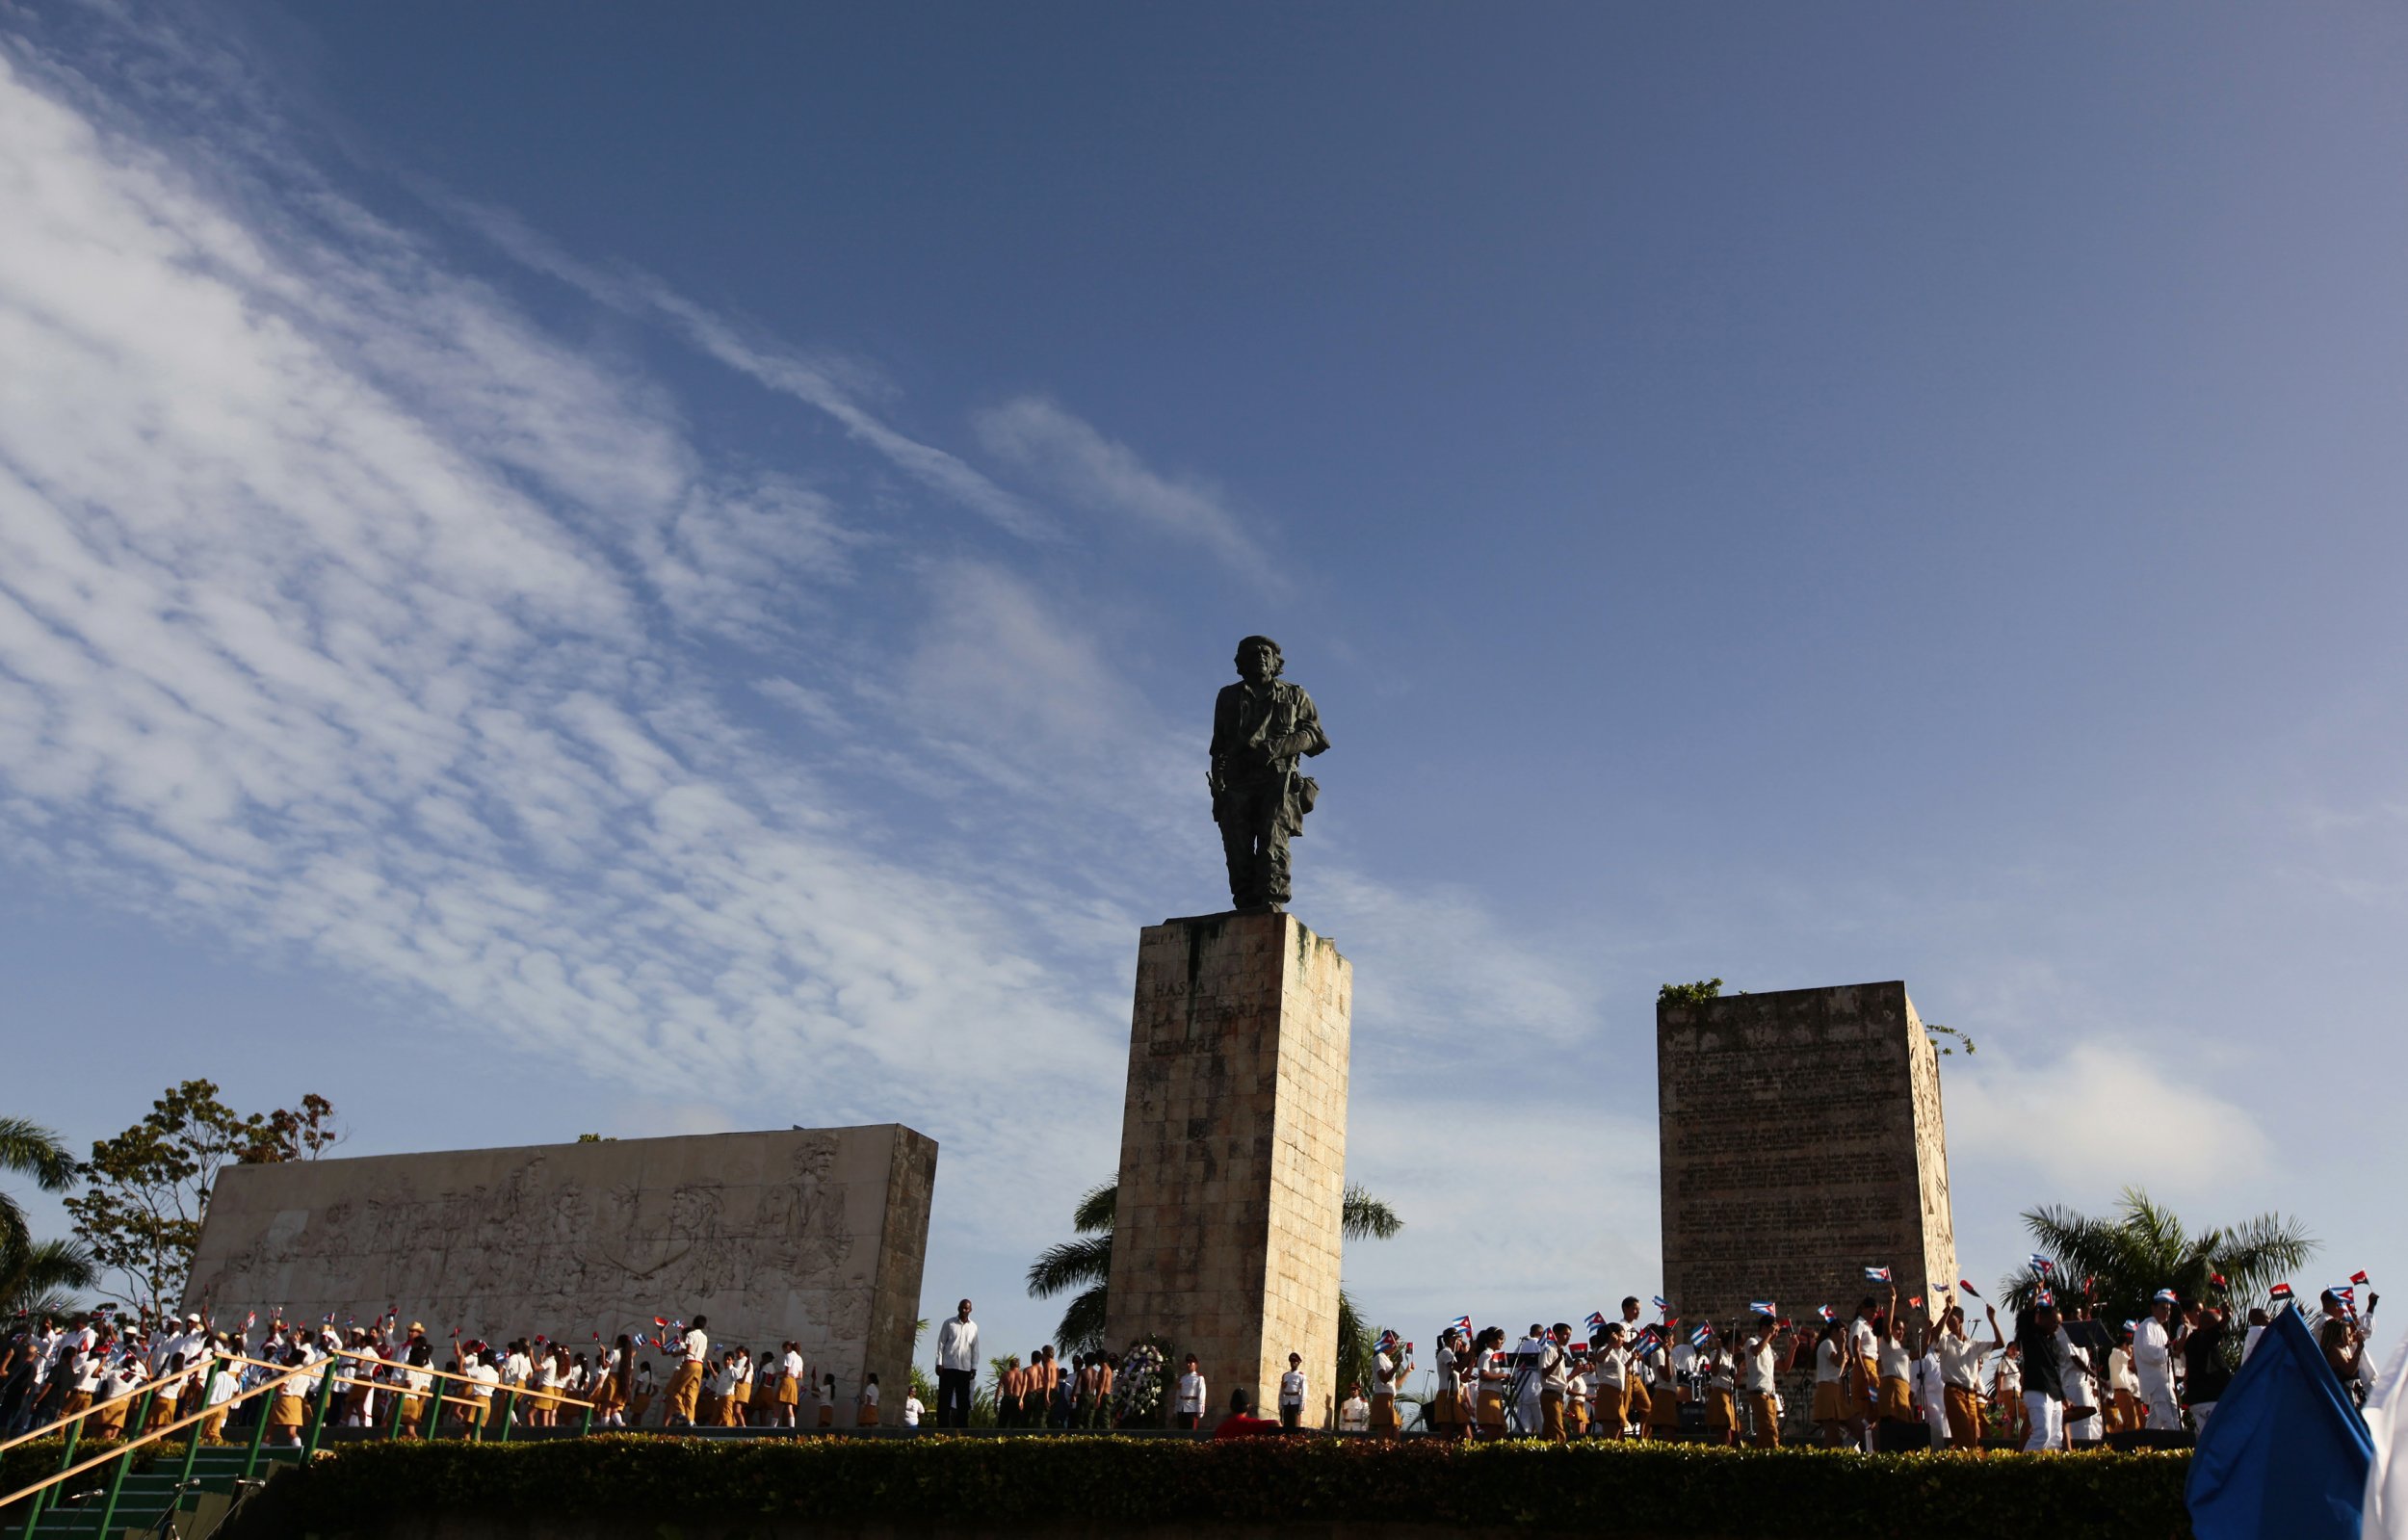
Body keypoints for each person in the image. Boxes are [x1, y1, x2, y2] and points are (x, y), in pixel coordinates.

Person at [1208, 635, 1331, 911]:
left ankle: (1272, 900)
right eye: (1252, 654)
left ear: (1277, 663)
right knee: (1236, 843)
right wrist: (1218, 786)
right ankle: (1244, 901)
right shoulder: (1228, 696)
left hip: (1277, 778)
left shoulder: (1295, 694)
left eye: (1266, 653)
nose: (1260, 657)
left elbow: (1315, 737)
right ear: (1240, 664)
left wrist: (1278, 747)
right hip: (1237, 780)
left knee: (1273, 838)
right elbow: (1219, 746)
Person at [2017, 1300, 2070, 1453]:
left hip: (2054, 1393)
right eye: (2054, 1321)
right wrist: (2036, 1293)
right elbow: (2026, 1316)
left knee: (2055, 1437)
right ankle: (2022, 1468)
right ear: (2041, 1318)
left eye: (2059, 1323)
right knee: (2042, 1434)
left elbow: (2055, 1370)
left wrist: (2063, 1397)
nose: (2056, 1326)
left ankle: (2047, 1469)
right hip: (2037, 1389)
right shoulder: (2031, 1335)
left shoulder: (2052, 1342)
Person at [2132, 1292, 2184, 1431]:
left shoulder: (2160, 1328)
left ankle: (2146, 1446)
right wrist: (2167, 1350)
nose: (2166, 1312)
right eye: (2163, 1308)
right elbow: (2148, 1351)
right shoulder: (2146, 1326)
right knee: (2169, 1417)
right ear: (2153, 1309)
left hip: (2163, 1381)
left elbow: (2167, 1355)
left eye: (2168, 1309)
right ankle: (2177, 1445)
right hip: (2156, 1381)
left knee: (2156, 1420)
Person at [1740, 1314, 1793, 1449]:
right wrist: (1769, 1335)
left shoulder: (1769, 1348)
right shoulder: (1752, 1341)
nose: (1775, 1335)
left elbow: (1785, 1367)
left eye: (1776, 1332)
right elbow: (1756, 1351)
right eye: (1773, 1331)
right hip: (1758, 1392)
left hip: (1770, 1394)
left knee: (1764, 1435)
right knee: (1771, 1430)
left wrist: (1793, 1348)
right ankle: (1776, 1459)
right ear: (1764, 1328)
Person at [2181, 1302, 2232, 1431]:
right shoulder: (2199, 1338)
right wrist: (2227, 1316)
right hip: (2209, 1401)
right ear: (2209, 1325)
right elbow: (2216, 1332)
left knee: (2206, 1438)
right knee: (2219, 1437)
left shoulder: (2198, 1342)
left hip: (2203, 1401)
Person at [934, 1300, 979, 1429]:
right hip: (948, 1366)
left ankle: (962, 1427)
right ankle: (942, 1426)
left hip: (964, 1368)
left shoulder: (973, 1327)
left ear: (970, 1310)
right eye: (962, 1308)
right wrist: (939, 1363)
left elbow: (975, 1348)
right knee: (944, 1398)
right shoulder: (949, 1323)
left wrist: (974, 1367)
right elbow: (941, 1343)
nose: (964, 1310)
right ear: (958, 1308)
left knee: (963, 1400)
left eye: (967, 1308)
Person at [1811, 1321, 1850, 1447]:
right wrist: (1843, 1345)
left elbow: (1837, 1370)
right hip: (1827, 1389)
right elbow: (1838, 1362)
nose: (1844, 1336)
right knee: (1832, 1435)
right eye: (1842, 1332)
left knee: (1838, 1433)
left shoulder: (1833, 1345)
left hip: (1834, 1388)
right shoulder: (1827, 1344)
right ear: (1834, 1332)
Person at [667, 1316, 709, 1427]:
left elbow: (688, 1350)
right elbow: (703, 1355)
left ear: (694, 1323)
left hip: (690, 1363)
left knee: (675, 1390)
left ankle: (682, 1413)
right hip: (699, 1365)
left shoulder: (691, 1334)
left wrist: (676, 1354)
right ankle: (691, 1420)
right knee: (691, 1393)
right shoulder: (704, 1337)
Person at [1588, 1324, 1628, 1441]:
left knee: (1619, 1430)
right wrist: (1611, 1344)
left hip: (1616, 1394)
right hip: (1608, 1393)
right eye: (1621, 1336)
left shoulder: (1614, 1352)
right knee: (1611, 1433)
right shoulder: (1603, 1348)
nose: (1623, 1339)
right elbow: (1599, 1358)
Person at [1372, 1334, 1410, 1438]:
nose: (1395, 1347)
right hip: (1382, 1398)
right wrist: (1397, 1365)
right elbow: (1383, 1378)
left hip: (1389, 1398)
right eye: (1393, 1344)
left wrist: (1407, 1371)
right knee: (1385, 1434)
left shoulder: (1387, 1360)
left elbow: (1394, 1385)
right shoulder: (1379, 1357)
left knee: (1395, 1432)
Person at [1213, 1387, 1280, 1439]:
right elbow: (1276, 1423)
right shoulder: (1252, 1424)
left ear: (1231, 1406)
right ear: (1248, 1406)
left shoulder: (1220, 1429)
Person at [1174, 1355, 1207, 1431]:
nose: (1188, 1364)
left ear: (1196, 1364)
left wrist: (1200, 1410)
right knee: (1181, 1433)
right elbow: (1178, 1393)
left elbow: (1201, 1394)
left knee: (1191, 1434)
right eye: (1187, 1363)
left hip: (1192, 1409)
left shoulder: (1199, 1378)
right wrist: (1176, 1407)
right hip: (1181, 1409)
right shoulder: (1183, 1378)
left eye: (1190, 1362)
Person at [1277, 1352, 1307, 1431]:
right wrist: (1280, 1403)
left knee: (1294, 1425)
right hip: (1286, 1401)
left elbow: (1304, 1391)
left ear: (1298, 1363)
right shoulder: (1285, 1375)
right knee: (1285, 1424)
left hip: (1295, 1402)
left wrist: (1301, 1405)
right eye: (1291, 1361)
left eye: (1295, 1361)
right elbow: (1281, 1390)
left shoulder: (1301, 1376)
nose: (1293, 1363)